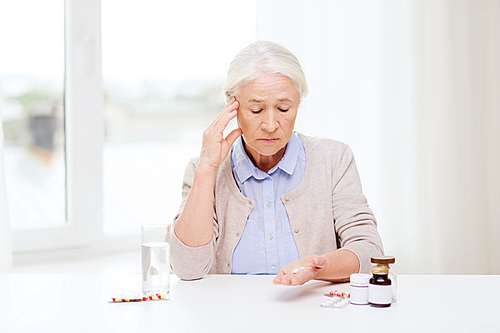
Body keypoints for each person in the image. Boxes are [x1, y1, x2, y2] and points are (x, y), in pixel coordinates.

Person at [170, 41, 384, 285]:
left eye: (283, 108)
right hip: (230, 317)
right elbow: (187, 269)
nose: (271, 125)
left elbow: (370, 251)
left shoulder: (334, 158)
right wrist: (207, 169)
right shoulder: (203, 170)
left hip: (314, 313)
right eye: (256, 109)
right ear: (232, 106)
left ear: (297, 104)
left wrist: (319, 267)